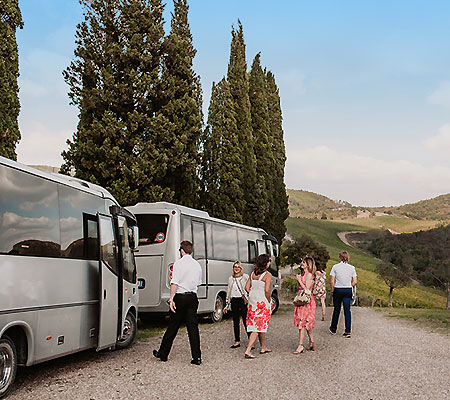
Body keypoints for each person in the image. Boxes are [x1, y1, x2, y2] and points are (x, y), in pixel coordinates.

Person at [153, 241, 203, 365]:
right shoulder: (197, 265)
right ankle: (197, 357)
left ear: (181, 251)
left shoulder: (178, 264)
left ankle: (163, 353)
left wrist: (171, 298)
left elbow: (174, 282)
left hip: (180, 297)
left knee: (173, 326)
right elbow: (198, 283)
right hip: (193, 297)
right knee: (193, 328)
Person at [244, 254, 272, 359]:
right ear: (266, 263)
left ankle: (263, 347)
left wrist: (253, 293)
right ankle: (248, 350)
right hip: (262, 302)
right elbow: (267, 290)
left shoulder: (252, 274)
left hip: (253, 302)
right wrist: (268, 300)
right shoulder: (267, 275)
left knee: (259, 325)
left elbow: (247, 287)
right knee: (257, 326)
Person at [329, 251, 357, 338]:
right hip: (347, 289)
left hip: (338, 289)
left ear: (340, 257)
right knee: (347, 310)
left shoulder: (335, 267)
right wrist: (349, 285)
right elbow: (355, 281)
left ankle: (333, 328)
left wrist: (333, 290)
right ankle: (347, 331)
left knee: (336, 309)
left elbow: (332, 280)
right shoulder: (352, 268)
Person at [224, 261, 250, 348]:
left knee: (246, 321)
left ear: (241, 268)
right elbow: (229, 290)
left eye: (238, 267)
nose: (236, 269)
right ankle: (237, 340)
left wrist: (249, 297)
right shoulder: (230, 279)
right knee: (235, 321)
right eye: (235, 267)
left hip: (243, 300)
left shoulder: (245, 277)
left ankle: (250, 340)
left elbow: (249, 287)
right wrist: (227, 303)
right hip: (234, 300)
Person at [293, 256, 316, 353]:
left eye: (304, 262)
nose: (302, 264)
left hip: (307, 302)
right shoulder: (304, 274)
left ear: (308, 264)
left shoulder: (309, 275)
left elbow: (307, 289)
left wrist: (299, 280)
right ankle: (312, 342)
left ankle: (300, 345)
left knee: (303, 323)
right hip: (301, 300)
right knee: (305, 322)